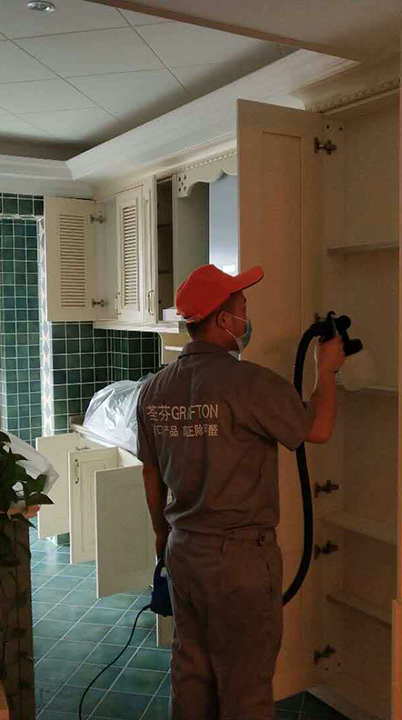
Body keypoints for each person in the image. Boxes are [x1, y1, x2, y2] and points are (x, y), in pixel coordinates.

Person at [135, 263, 347, 719]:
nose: (247, 318)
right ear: (221, 319)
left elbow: (151, 472)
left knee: (191, 675)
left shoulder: (154, 390)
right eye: (242, 308)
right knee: (244, 689)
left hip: (184, 551)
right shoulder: (249, 384)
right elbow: (318, 427)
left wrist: (161, 535)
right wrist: (326, 370)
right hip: (240, 563)